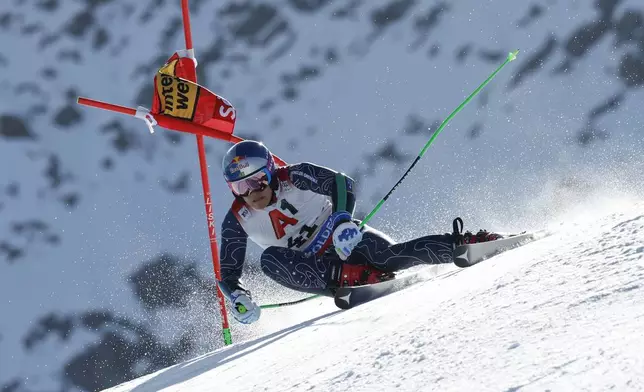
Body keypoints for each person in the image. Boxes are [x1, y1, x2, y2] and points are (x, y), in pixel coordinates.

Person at [217, 140, 501, 324]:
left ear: (270, 171)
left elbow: (341, 183)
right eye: (239, 187)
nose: (251, 193)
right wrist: (238, 297)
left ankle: (462, 243)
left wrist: (342, 221)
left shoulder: (294, 176)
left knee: (389, 257)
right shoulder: (236, 219)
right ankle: (350, 279)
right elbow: (228, 275)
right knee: (269, 260)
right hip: (315, 267)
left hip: (342, 239)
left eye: (257, 181)